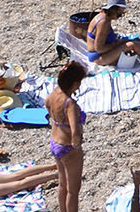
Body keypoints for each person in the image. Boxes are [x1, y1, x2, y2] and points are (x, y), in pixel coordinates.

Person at [47, 63, 88, 212]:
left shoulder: (53, 94)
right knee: (73, 190)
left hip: (54, 142)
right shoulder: (69, 103)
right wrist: (77, 144)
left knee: (62, 184)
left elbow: (47, 106)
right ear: (75, 83)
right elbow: (75, 129)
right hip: (68, 147)